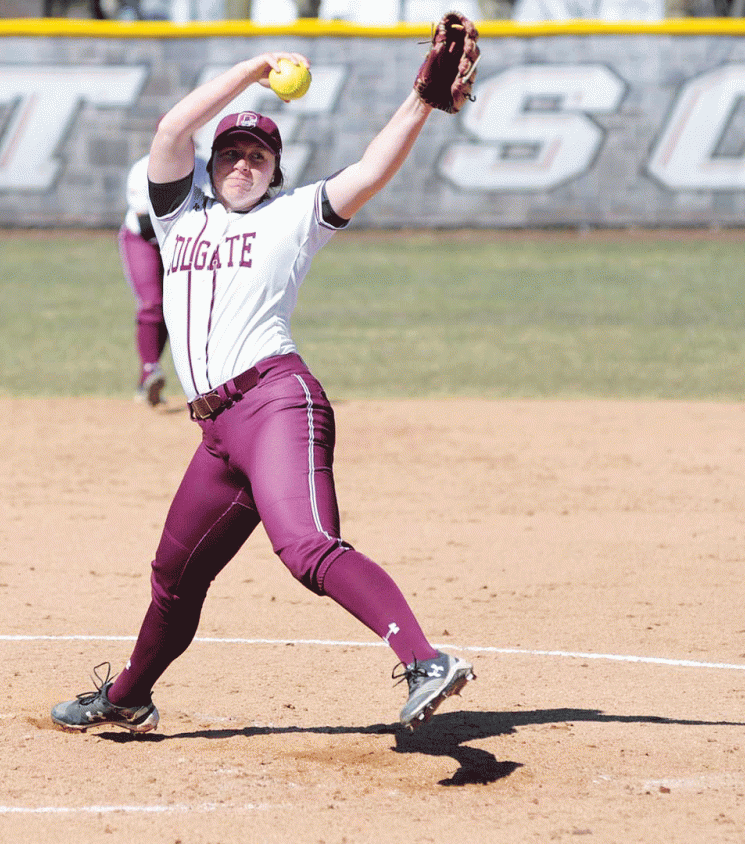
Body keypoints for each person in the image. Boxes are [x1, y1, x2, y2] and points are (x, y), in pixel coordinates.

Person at [51, 49, 473, 734]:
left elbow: (369, 170)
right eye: (230, 154)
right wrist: (252, 71)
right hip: (217, 434)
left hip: (276, 402)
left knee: (306, 546)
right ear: (209, 164)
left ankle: (425, 660)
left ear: (276, 169)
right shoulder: (177, 215)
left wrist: (419, 102)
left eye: (258, 155)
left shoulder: (294, 214)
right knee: (174, 574)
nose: (243, 164)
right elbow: (170, 131)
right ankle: (129, 695)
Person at [118, 154, 206, 407]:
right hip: (143, 240)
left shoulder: (203, 167)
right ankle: (149, 371)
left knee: (175, 309)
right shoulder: (143, 168)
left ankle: (150, 377)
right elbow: (146, 223)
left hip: (182, 242)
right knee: (152, 303)